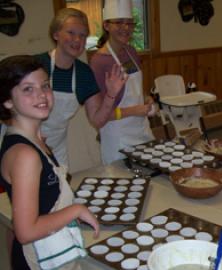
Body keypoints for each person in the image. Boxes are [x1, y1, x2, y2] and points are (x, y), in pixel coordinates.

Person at [0, 55, 99, 269]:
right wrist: (76, 210)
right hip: (36, 257)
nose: (41, 95)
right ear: (7, 100)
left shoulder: (34, 141)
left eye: (45, 85)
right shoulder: (25, 155)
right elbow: (25, 232)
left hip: (51, 248)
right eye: (28, 89)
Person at [36, 8, 127, 166]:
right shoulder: (36, 65)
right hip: (26, 144)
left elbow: (97, 120)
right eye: (71, 32)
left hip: (56, 149)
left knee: (60, 188)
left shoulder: (84, 74)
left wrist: (111, 94)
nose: (77, 40)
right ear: (56, 34)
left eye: (83, 35)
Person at [89, 0, 155, 165]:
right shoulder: (99, 62)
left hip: (141, 130)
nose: (125, 28)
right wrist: (135, 110)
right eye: (119, 22)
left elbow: (137, 89)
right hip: (118, 138)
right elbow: (100, 116)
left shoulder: (130, 52)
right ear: (106, 25)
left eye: (129, 23)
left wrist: (146, 99)